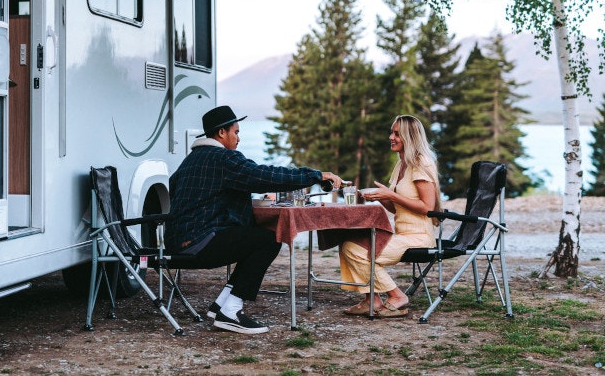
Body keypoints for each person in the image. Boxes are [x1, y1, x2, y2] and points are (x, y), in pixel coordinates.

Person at [166, 105, 344, 334]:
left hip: (177, 243)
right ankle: (231, 312)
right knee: (268, 240)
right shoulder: (224, 158)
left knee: (250, 238)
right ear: (221, 133)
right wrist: (315, 175)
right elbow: (267, 176)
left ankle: (221, 305)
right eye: (236, 132)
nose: (238, 138)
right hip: (199, 244)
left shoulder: (189, 161)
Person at [339, 114, 442, 318]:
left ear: (409, 137)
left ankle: (397, 296)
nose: (391, 137)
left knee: (356, 250)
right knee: (348, 244)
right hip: (402, 234)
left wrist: (390, 195)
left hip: (419, 237)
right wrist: (380, 197)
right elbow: (397, 209)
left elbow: (427, 207)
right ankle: (372, 299)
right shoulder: (401, 164)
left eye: (397, 134)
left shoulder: (421, 163)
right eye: (391, 132)